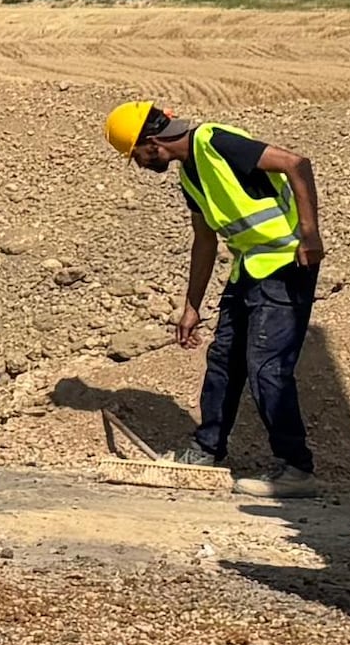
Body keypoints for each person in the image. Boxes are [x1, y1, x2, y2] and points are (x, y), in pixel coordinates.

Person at [110, 97, 325, 489]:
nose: (139, 165)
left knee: (267, 366)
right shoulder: (189, 175)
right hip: (249, 269)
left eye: (136, 155)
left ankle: (296, 468)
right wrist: (191, 306)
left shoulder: (214, 141)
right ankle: (206, 449)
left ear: (151, 143)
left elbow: (296, 163)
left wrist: (310, 236)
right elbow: (204, 240)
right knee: (224, 360)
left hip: (286, 264)